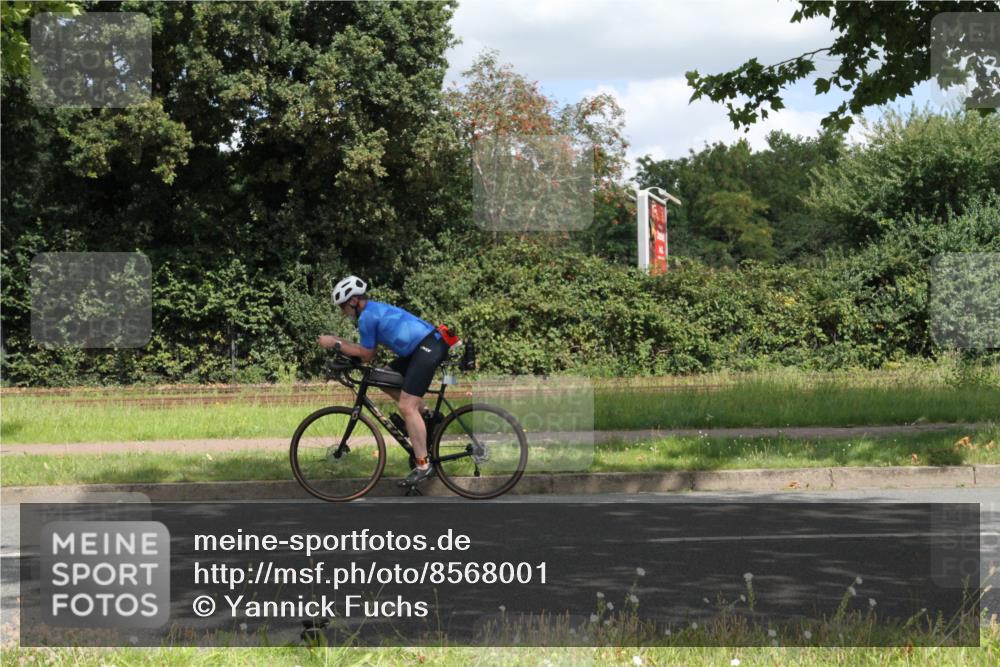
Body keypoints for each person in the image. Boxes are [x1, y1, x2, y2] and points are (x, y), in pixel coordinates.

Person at [318, 275, 449, 485]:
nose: (343, 312)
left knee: (407, 406)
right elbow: (365, 350)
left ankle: (423, 465)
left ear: (353, 301)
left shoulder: (366, 317)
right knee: (381, 377)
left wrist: (334, 343)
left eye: (343, 307)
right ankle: (426, 418)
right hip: (422, 347)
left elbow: (366, 355)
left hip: (427, 348)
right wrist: (339, 342)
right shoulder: (370, 312)